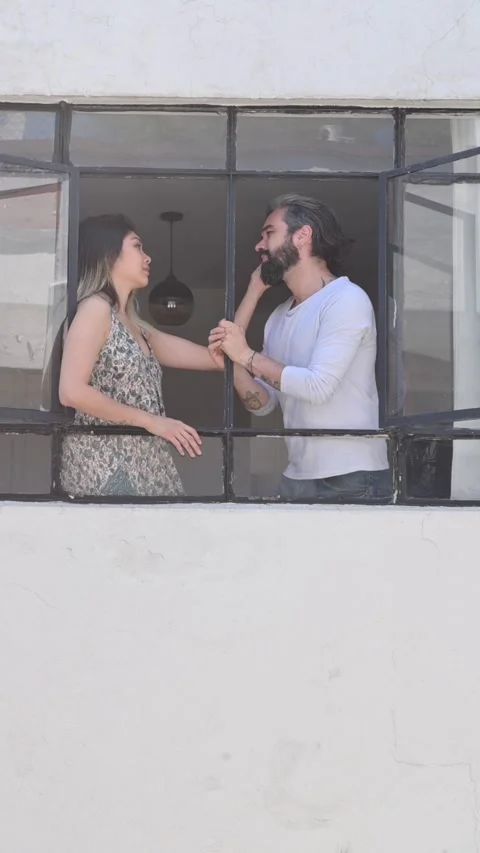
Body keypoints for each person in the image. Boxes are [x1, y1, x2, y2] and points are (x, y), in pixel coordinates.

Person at [209, 194, 390, 500]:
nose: (259, 245)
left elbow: (318, 387)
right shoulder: (278, 317)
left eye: (269, 233)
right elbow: (265, 404)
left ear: (302, 235)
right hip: (298, 476)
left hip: (352, 476)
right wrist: (236, 367)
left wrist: (246, 356)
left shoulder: (345, 299)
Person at [59, 214, 223, 497]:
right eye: (137, 246)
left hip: (144, 461)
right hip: (106, 465)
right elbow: (71, 391)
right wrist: (153, 421)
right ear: (108, 254)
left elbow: (207, 357)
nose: (148, 257)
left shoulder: (134, 325)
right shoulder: (95, 309)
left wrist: (238, 356)